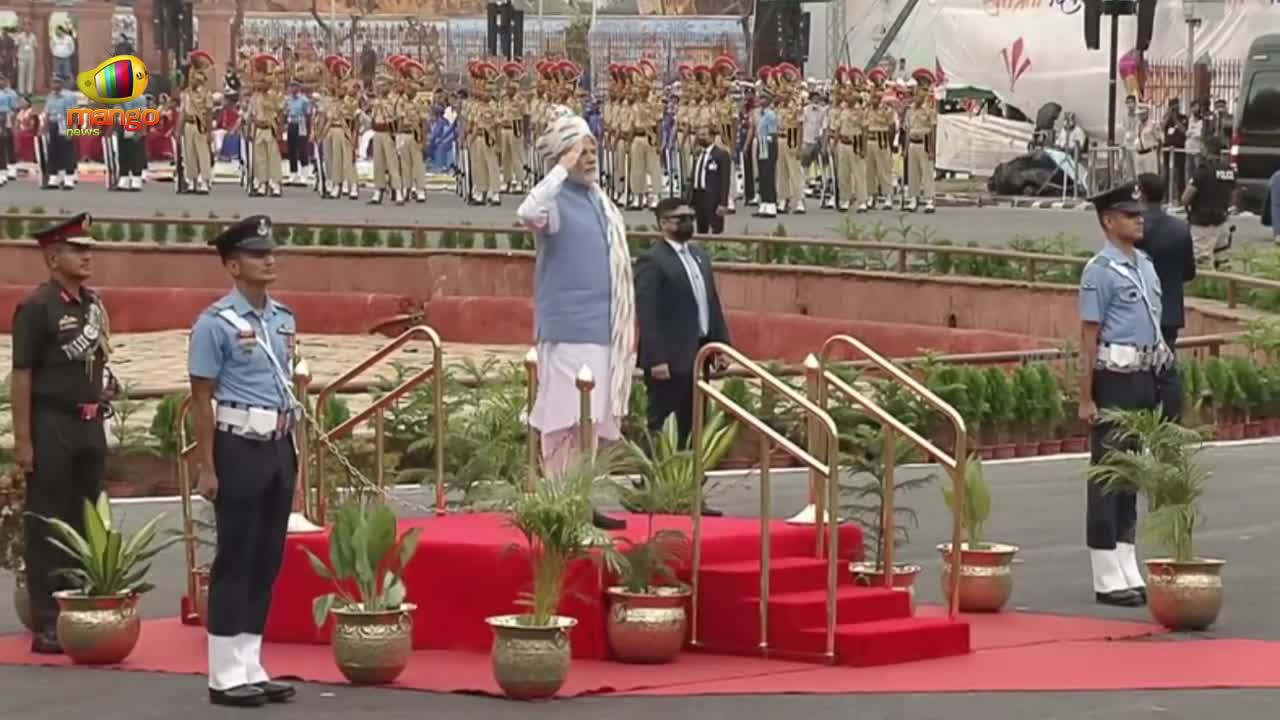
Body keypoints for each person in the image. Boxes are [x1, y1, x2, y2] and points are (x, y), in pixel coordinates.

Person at [188, 216, 302, 707]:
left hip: (278, 444)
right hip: (238, 444)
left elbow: (288, 387)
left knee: (266, 558)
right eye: (257, 255)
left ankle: (251, 661)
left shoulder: (283, 318)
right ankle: (223, 671)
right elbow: (200, 398)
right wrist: (208, 466)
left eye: (271, 252)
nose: (269, 259)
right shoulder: (215, 324)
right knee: (234, 558)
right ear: (233, 265)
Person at [517, 106, 635, 531]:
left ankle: (584, 496)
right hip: (568, 329)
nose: (590, 156)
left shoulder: (600, 201)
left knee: (595, 421)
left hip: (605, 330)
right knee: (563, 418)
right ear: (563, 154)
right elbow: (527, 212)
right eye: (581, 150)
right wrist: (559, 172)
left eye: (592, 148)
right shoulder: (555, 200)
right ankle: (560, 498)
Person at [10, 213, 115, 653]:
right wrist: (24, 441)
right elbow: (21, 376)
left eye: (89, 249)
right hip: (52, 423)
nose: (87, 256)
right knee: (48, 522)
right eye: (78, 249)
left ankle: (79, 602)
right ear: (53, 257)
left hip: (90, 424)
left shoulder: (92, 304)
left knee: (85, 516)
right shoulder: (37, 308)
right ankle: (47, 621)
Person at [1077, 182, 1171, 609]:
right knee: (1108, 474)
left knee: (1132, 472)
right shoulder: (1099, 271)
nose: (1139, 219)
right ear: (1108, 221)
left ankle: (1125, 555)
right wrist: (1086, 396)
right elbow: (1089, 339)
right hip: (1112, 377)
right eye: (1129, 214)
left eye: (1139, 213)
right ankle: (1103, 567)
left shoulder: (1146, 266)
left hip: (1144, 376)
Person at [635, 197, 731, 461]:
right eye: (681, 219)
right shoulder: (652, 261)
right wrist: (656, 359)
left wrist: (721, 347)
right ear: (663, 223)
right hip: (668, 361)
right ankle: (656, 487)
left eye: (691, 216)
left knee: (694, 425)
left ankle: (690, 488)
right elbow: (648, 312)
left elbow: (711, 303)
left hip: (698, 355)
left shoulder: (700, 257)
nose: (689, 223)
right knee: (663, 428)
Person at [1136, 173, 1196, 421]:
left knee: (1137, 370)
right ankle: (1172, 422)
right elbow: (1189, 272)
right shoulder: (1180, 228)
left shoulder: (1135, 226)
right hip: (1169, 310)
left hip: (1138, 309)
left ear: (1140, 192)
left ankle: (1142, 421)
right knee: (1167, 368)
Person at [1181, 136, 1237, 268]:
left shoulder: (1203, 171)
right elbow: (1233, 195)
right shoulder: (1229, 170)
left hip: (1202, 223)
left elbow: (1186, 197)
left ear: (1208, 150)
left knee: (1202, 263)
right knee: (1223, 261)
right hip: (1222, 220)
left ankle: (1204, 288)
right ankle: (1224, 288)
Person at [686, 125, 732, 235]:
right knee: (701, 229)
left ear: (712, 137)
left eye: (704, 135)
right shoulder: (697, 153)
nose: (701, 138)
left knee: (716, 229)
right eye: (699, 135)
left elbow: (725, 181)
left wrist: (723, 203)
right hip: (698, 196)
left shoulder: (721, 155)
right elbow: (693, 176)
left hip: (713, 198)